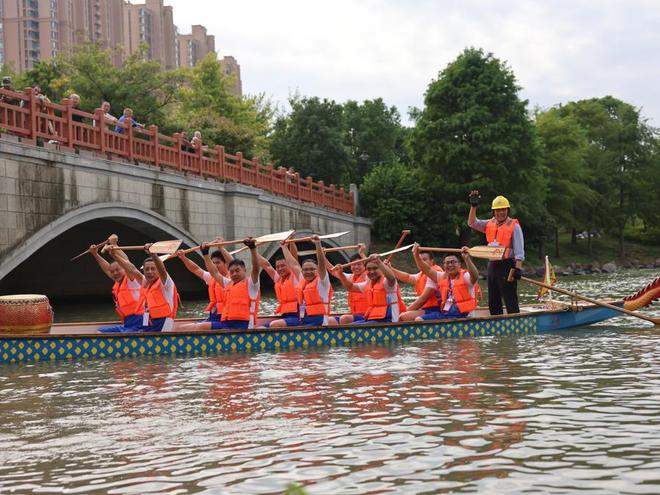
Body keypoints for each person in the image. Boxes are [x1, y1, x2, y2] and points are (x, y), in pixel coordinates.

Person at [467, 190, 524, 314]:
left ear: (507, 210)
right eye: (498, 210)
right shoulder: (489, 224)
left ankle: (514, 320)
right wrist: (473, 206)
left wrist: (518, 269)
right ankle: (496, 322)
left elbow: (519, 252)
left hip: (507, 266)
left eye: (503, 209)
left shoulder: (514, 226)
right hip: (493, 265)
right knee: (493, 299)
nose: (501, 212)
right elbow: (471, 223)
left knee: (509, 298)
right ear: (494, 211)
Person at [108, 241, 179, 332]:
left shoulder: (165, 283)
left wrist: (153, 254)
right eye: (147, 269)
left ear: (158, 271)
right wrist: (114, 256)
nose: (149, 272)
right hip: (150, 323)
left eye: (153, 269)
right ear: (144, 271)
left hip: (164, 323)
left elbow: (162, 270)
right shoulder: (145, 283)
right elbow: (132, 268)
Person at [269, 235, 335, 327]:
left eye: (312, 269)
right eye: (305, 270)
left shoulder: (322, 282)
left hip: (320, 323)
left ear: (317, 271)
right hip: (304, 321)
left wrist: (318, 244)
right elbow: (294, 264)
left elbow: (321, 265)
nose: (308, 272)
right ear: (302, 271)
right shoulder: (302, 281)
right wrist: (284, 247)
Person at [201, 237, 261, 329]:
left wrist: (252, 248)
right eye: (232, 272)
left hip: (244, 327)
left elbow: (256, 267)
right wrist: (205, 254)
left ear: (244, 270)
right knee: (190, 327)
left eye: (237, 270)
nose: (234, 274)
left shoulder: (251, 284)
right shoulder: (228, 283)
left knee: (200, 327)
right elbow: (214, 272)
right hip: (227, 324)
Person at [90, 235, 146, 333]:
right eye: (113, 272)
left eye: (117, 270)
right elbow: (107, 269)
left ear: (124, 268)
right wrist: (95, 254)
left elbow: (127, 263)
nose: (115, 273)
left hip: (140, 321)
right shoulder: (118, 281)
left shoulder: (131, 278)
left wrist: (114, 247)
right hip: (128, 322)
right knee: (99, 332)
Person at [332, 254, 406, 325]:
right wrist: (341, 274)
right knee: (347, 326)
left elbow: (392, 278)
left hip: (389, 320)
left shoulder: (387, 283)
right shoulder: (367, 284)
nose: (372, 272)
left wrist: (379, 262)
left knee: (348, 329)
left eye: (375, 268)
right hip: (373, 319)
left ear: (381, 269)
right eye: (369, 269)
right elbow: (351, 287)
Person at [411, 243, 479, 320]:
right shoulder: (443, 277)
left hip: (463, 317)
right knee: (419, 319)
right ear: (444, 265)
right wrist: (416, 254)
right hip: (445, 314)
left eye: (453, 262)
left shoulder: (466, 276)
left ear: (459, 265)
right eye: (447, 263)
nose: (450, 265)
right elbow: (427, 270)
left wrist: (467, 259)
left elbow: (475, 276)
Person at [174, 244, 233, 332]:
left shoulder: (232, 280)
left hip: (226, 320)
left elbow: (233, 262)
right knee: (178, 328)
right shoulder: (211, 277)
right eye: (213, 263)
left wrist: (221, 247)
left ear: (226, 264)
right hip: (213, 318)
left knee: (198, 327)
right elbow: (195, 269)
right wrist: (183, 258)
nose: (215, 265)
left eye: (218, 263)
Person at [389, 250, 444, 321]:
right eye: (419, 260)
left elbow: (423, 299)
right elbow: (408, 277)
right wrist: (390, 269)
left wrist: (406, 310)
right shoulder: (422, 274)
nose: (421, 262)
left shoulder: (435, 273)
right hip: (428, 309)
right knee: (401, 316)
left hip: (437, 309)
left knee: (403, 316)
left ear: (432, 261)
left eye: (424, 260)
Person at [257, 244, 302, 327]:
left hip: (298, 317)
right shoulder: (278, 279)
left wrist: (289, 243)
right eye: (277, 267)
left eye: (282, 266)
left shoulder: (296, 276)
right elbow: (266, 265)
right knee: (260, 327)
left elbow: (294, 259)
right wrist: (252, 250)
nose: (280, 269)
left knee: (274, 324)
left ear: (289, 265)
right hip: (285, 316)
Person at [328, 246, 368, 323]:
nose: (356, 267)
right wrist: (323, 256)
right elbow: (332, 271)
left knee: (345, 318)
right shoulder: (350, 277)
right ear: (350, 266)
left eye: (359, 264)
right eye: (353, 265)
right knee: (330, 320)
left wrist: (362, 253)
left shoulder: (368, 276)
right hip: (355, 314)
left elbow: (370, 265)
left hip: (366, 315)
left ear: (364, 266)